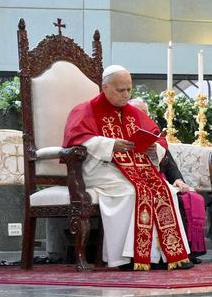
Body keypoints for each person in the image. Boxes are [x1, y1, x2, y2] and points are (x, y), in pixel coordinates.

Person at [62, 66, 192, 270]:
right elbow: (75, 140)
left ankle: (164, 256)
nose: (126, 95)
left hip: (136, 168)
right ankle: (128, 257)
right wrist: (111, 144)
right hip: (101, 169)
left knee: (167, 190)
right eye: (120, 90)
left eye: (128, 90)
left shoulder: (133, 112)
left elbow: (159, 140)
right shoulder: (85, 110)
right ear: (105, 88)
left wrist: (152, 148)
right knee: (133, 192)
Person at [129, 98, 206, 264]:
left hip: (161, 180)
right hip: (137, 181)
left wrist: (178, 180)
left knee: (190, 198)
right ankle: (162, 255)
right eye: (138, 112)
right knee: (172, 200)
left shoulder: (154, 136)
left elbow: (169, 163)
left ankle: (188, 252)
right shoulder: (124, 133)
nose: (143, 116)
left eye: (146, 113)